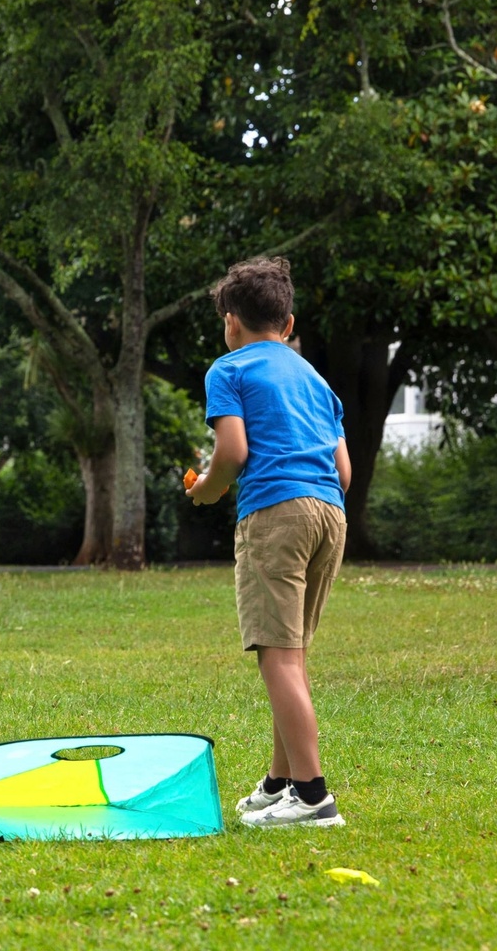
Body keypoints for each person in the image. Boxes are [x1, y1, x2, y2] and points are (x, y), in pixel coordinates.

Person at [186, 257, 350, 827]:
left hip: (275, 515)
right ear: (288, 321)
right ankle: (281, 781)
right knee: (293, 653)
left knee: (277, 657)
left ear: (231, 321)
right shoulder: (317, 380)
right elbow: (344, 472)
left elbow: (232, 454)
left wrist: (206, 491)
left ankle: (312, 796)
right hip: (330, 514)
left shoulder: (228, 370)